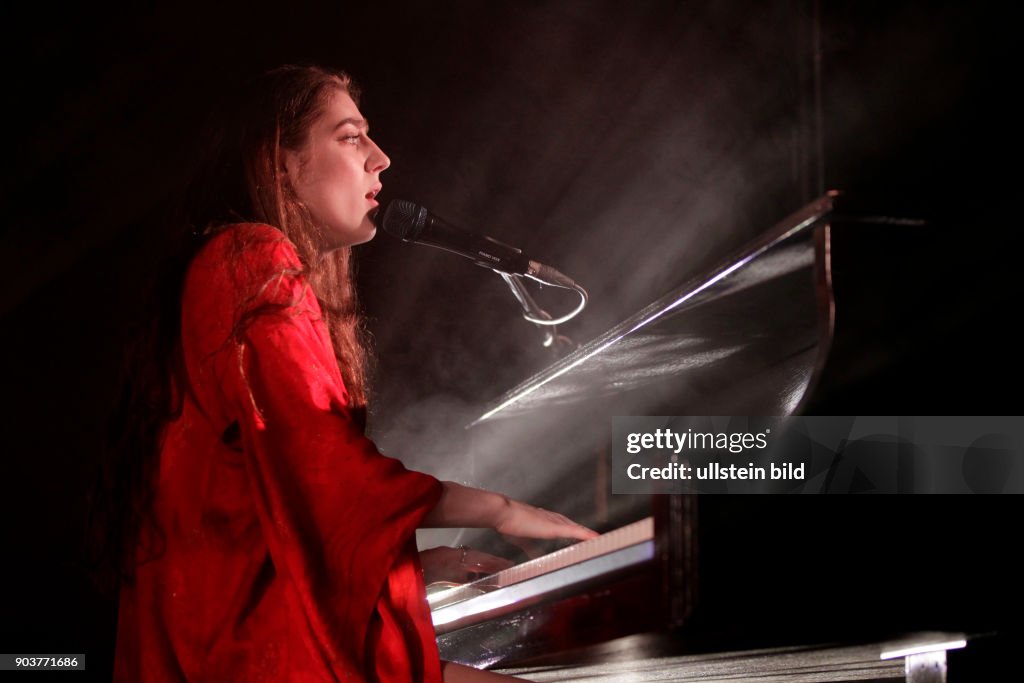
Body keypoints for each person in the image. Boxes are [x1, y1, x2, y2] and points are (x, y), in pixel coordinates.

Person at [96, 64, 596, 681]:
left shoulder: (232, 265)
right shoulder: (251, 256)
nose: (381, 159)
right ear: (280, 162)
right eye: (351, 137)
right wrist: (501, 510)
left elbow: (261, 502)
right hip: (239, 650)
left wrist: (416, 563)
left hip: (220, 637)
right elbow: (319, 464)